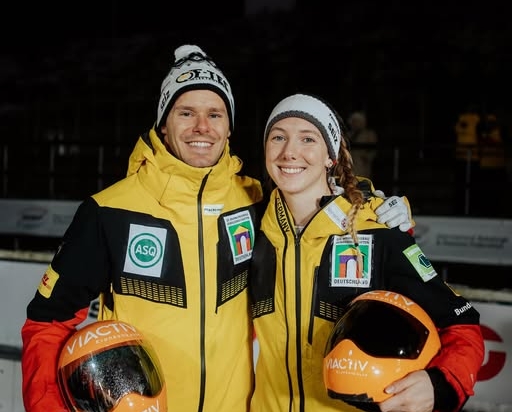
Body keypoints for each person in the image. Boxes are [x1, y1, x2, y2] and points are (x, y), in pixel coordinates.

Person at [20, 46, 415, 412]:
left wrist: (372, 203)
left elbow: (320, 198)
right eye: (185, 112)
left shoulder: (255, 200)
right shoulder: (107, 211)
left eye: (215, 114)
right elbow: (46, 323)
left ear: (229, 128)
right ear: (163, 124)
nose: (201, 127)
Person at [249, 93, 484, 412]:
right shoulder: (254, 228)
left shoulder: (377, 230)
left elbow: (461, 323)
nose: (290, 152)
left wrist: (441, 386)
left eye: (308, 138)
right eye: (278, 137)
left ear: (330, 156)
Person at [347, 111, 378, 180]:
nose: (355, 123)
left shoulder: (369, 134)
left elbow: (373, 150)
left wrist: (367, 158)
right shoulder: (349, 134)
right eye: (354, 121)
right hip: (350, 164)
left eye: (357, 121)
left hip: (362, 165)